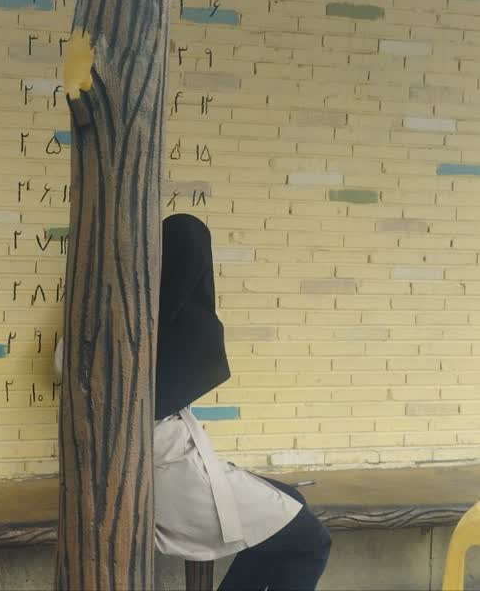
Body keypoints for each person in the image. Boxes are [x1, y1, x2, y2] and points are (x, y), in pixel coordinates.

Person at [55, 213, 331, 591]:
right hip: (173, 481)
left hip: (153, 472)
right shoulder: (150, 332)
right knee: (311, 541)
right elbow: (175, 386)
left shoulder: (101, 317)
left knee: (288, 506)